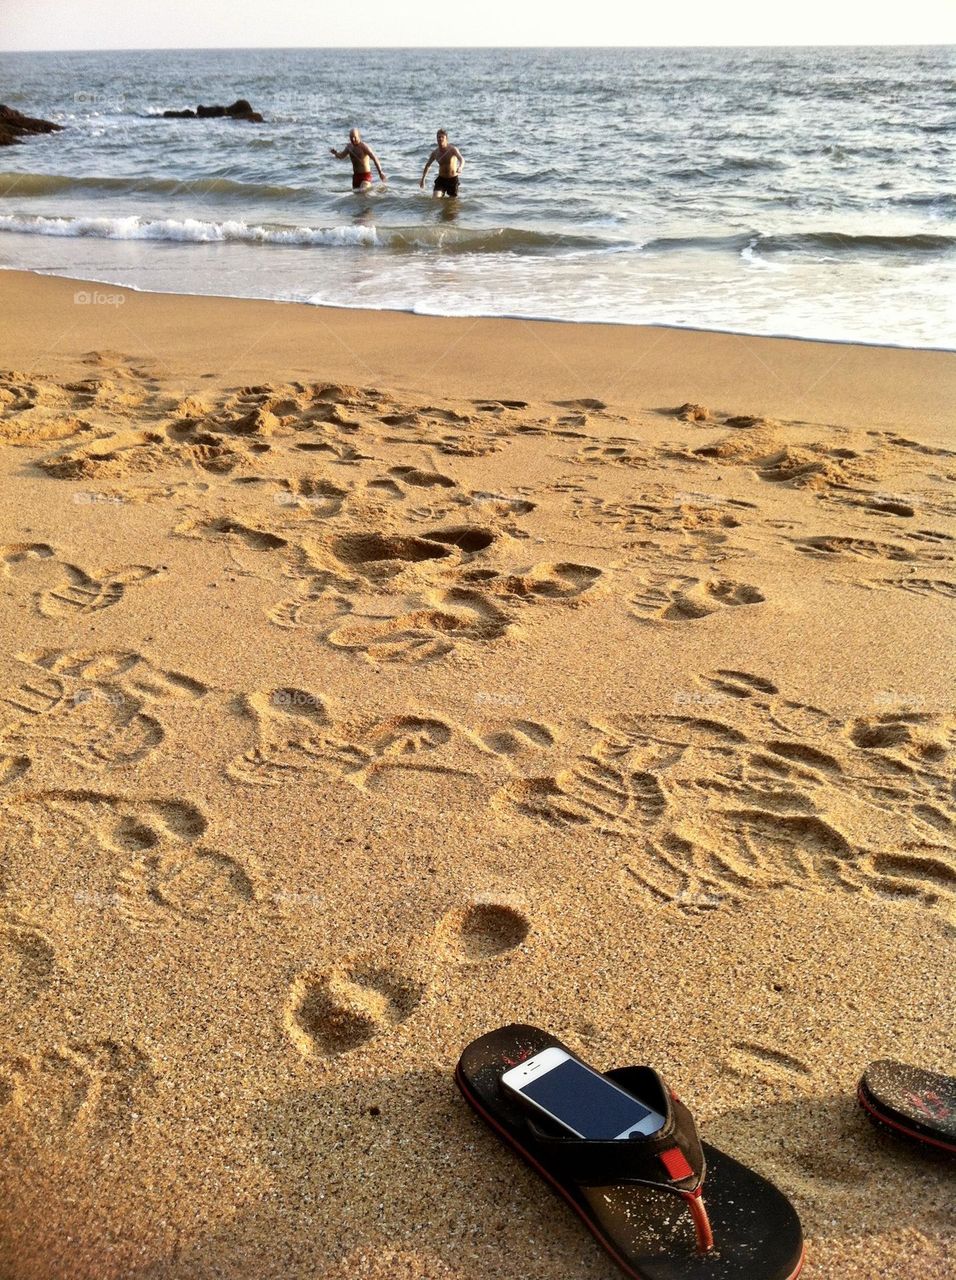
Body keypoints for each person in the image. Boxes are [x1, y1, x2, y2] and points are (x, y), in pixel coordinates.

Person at [420, 129, 464, 198]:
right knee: (435, 199)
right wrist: (423, 179)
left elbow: (461, 159)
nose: (440, 139)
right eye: (438, 137)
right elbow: (428, 165)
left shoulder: (452, 149)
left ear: (446, 139)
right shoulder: (435, 153)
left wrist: (460, 167)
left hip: (453, 179)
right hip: (441, 179)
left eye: (442, 137)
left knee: (452, 204)